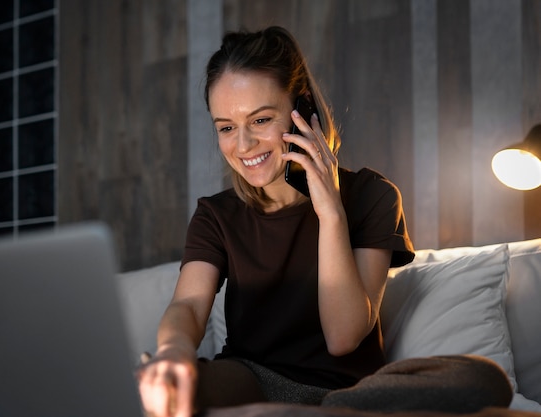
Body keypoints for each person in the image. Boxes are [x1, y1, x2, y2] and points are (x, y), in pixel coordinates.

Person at [137, 26, 513, 417]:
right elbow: (190, 305)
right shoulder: (216, 215)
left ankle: (325, 411)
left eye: (261, 120)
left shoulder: (372, 195)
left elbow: (343, 337)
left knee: (482, 380)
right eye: (227, 128)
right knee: (158, 390)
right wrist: (172, 352)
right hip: (249, 380)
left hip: (353, 391)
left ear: (302, 112)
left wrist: (330, 211)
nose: (243, 145)